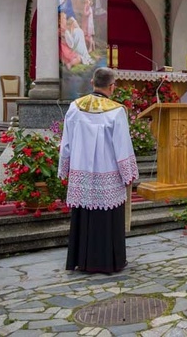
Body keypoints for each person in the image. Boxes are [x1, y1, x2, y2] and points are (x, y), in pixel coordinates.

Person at [58, 67, 138, 273]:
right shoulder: (116, 111)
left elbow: (66, 142)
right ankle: (109, 261)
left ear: (92, 83)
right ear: (112, 86)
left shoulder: (75, 107)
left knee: (83, 215)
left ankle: (81, 259)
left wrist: (64, 168)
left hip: (81, 171)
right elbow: (122, 147)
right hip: (108, 173)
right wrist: (128, 174)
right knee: (107, 218)